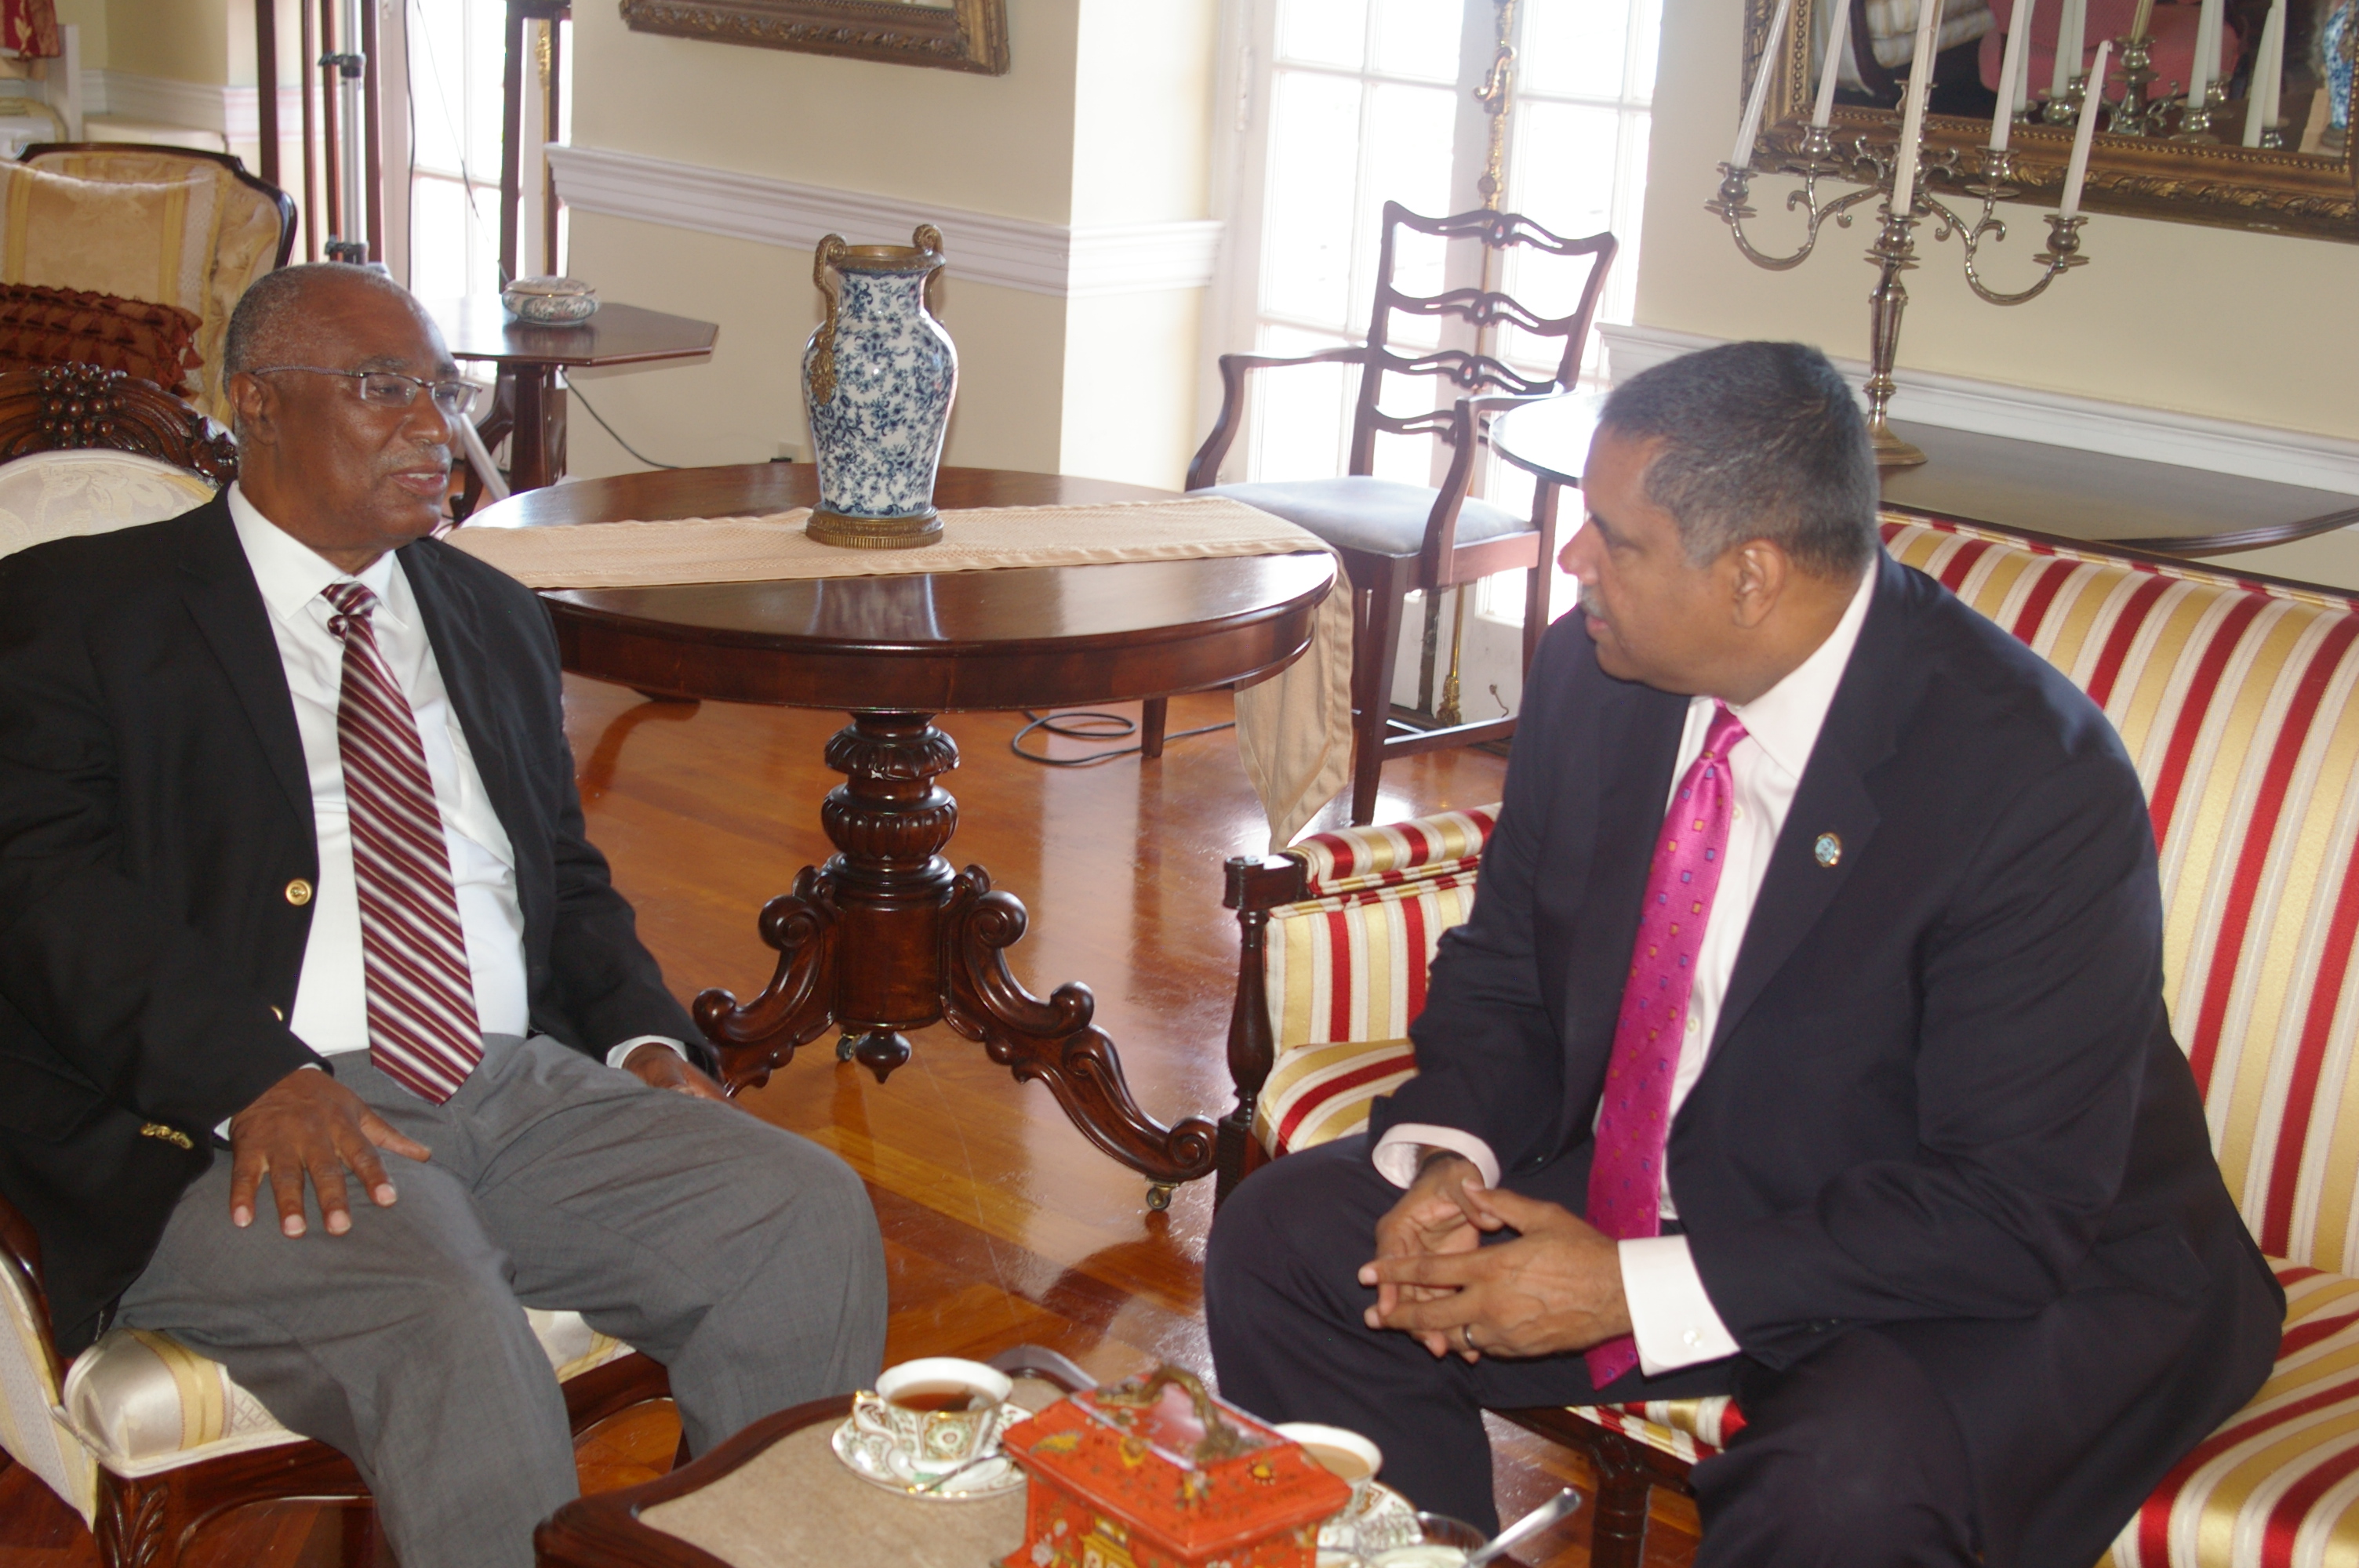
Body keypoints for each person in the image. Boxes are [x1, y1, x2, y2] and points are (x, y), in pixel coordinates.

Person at [1205, 341, 2284, 1566]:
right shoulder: (1597, 675)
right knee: (1292, 1248)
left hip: (2002, 1259)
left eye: (1614, 537)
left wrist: (1628, 1286)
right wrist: (1451, 1159)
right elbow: (1508, 962)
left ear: (1752, 577)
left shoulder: (2027, 780)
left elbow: (2008, 1206)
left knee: (1842, 1485)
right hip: (1704, 1178)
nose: (1573, 562)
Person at [0, 263, 888, 1568]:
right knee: (443, 1313)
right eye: (380, 390)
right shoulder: (82, 613)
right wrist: (255, 1080)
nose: (434, 426)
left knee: (803, 1214)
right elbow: (44, 895)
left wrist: (645, 1048)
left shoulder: (487, 611)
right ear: (257, 404)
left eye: (440, 388)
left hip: (507, 1085)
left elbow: (563, 879)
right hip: (230, 1124)